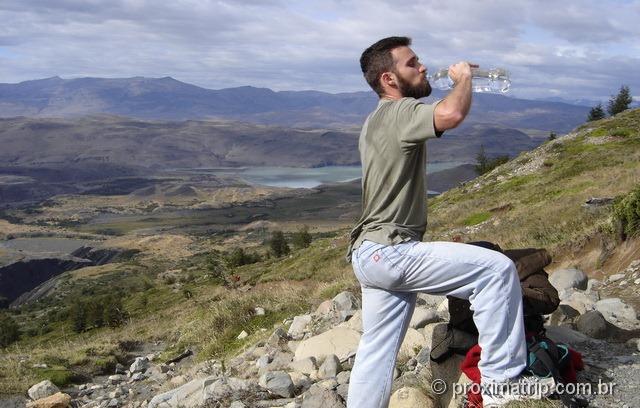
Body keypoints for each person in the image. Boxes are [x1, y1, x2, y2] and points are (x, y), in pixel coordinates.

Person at [346, 36, 546, 407]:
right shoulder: (398, 111)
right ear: (389, 80)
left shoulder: (376, 120)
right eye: (412, 63)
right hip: (391, 251)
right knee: (496, 271)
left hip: (368, 254)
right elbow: (451, 115)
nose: (422, 67)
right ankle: (503, 388)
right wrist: (463, 79)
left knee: (376, 352)